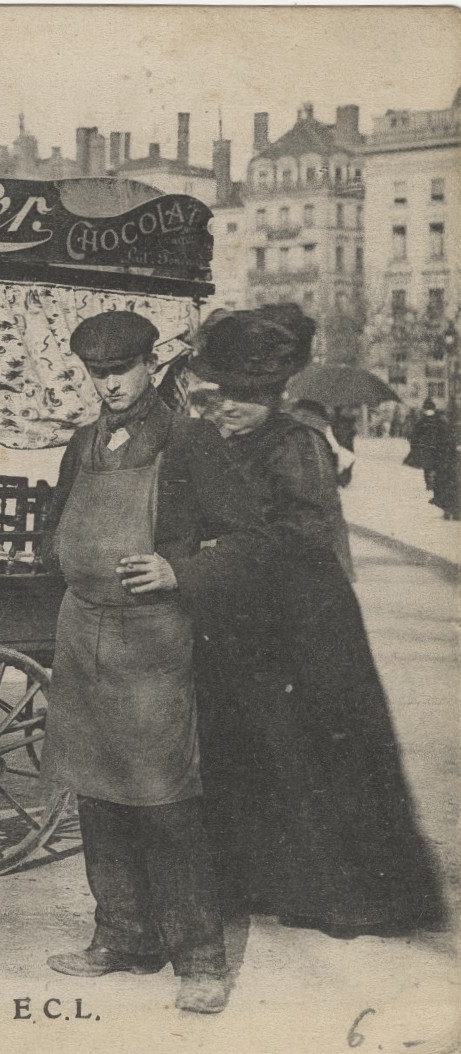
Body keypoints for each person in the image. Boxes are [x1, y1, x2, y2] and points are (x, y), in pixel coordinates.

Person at [191, 306, 447, 937]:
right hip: (250, 616)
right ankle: (267, 880)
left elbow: (305, 534)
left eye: (243, 398)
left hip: (306, 621)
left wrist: (223, 552)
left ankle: (346, 897)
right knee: (257, 747)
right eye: (223, 394)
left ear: (271, 396)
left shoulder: (295, 443)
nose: (227, 407)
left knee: (318, 749)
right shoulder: (225, 441)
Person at [39, 310, 268, 1016]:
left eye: (118, 371)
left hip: (154, 639)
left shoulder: (190, 441)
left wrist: (177, 571)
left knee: (165, 802)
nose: (108, 386)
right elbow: (58, 526)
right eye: (96, 374)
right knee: (96, 794)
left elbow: (250, 541)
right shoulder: (80, 445)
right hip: (82, 634)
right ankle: (122, 936)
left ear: (150, 366)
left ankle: (200, 960)